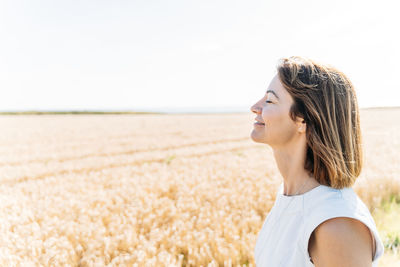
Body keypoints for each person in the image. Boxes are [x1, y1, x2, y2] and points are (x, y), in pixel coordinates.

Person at [250, 56, 384, 266]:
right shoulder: (289, 196)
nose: (255, 107)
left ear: (302, 120)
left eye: (269, 100)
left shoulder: (335, 223)